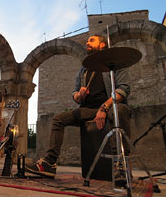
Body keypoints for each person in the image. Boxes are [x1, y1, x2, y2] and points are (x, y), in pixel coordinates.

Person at [25, 35, 131, 180]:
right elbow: (74, 94)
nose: (87, 42)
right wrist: (79, 95)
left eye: (92, 40)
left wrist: (104, 108)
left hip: (110, 106)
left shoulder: (114, 63)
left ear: (102, 45)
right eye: (87, 40)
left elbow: (123, 90)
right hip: (88, 109)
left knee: (120, 110)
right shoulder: (84, 69)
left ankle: (121, 164)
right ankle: (50, 163)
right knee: (58, 119)